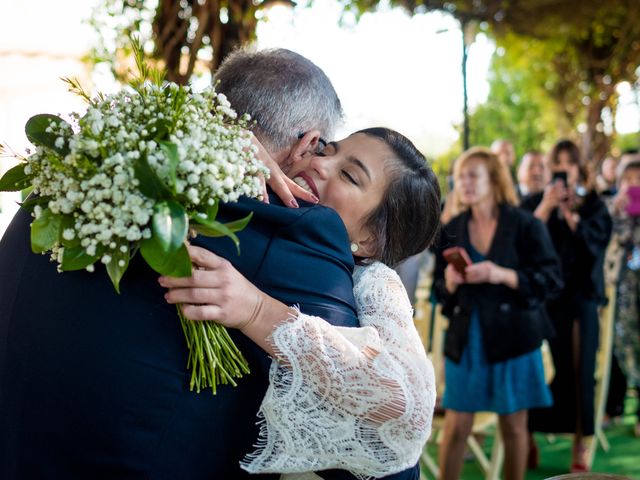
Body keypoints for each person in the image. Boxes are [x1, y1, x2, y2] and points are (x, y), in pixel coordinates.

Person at [0, 48, 416, 480]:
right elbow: (384, 454)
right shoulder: (292, 230)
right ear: (308, 143)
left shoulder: (68, 172)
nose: (321, 165)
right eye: (325, 149)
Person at [161, 127, 441, 478]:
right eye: (327, 150)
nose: (321, 164)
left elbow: (409, 406)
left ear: (369, 240)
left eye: (349, 175)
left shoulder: (375, 280)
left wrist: (255, 310)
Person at [432, 147, 562, 480]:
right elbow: (439, 293)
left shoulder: (525, 225)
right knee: (457, 426)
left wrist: (501, 274)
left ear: (493, 179)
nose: (464, 183)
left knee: (515, 426)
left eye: (473, 175)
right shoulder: (453, 227)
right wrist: (449, 282)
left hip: (515, 337)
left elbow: (551, 280)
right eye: (460, 176)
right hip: (467, 337)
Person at [523, 139, 612, 472]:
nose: (563, 167)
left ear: (579, 167)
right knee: (530, 363)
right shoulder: (536, 202)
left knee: (579, 365)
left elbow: (595, 251)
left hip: (579, 298)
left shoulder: (592, 207)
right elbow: (520, 241)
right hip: (540, 299)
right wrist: (547, 208)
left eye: (569, 161)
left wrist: (571, 215)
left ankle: (582, 440)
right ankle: (527, 433)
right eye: (557, 161)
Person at [605, 160, 640, 437]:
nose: (632, 185)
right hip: (621, 294)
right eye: (627, 179)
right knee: (618, 347)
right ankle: (611, 407)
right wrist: (617, 212)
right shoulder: (610, 211)